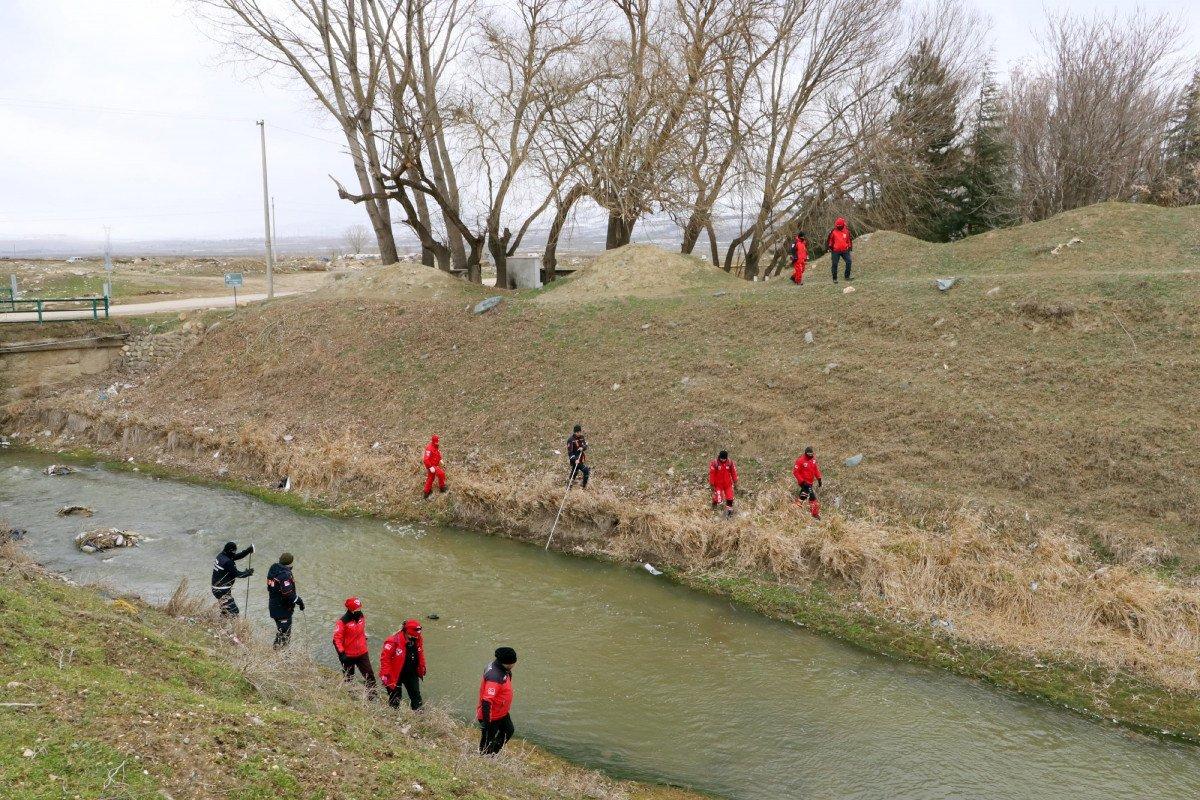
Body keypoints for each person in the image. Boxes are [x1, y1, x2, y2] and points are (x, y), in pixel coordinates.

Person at [333, 597, 377, 697]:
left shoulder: (361, 616)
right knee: (349, 677)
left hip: (362, 652)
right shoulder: (342, 622)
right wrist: (342, 654)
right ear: (351, 609)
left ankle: (372, 696)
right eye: (357, 608)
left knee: (369, 675)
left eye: (360, 608)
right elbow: (336, 639)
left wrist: (364, 637)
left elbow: (361, 631)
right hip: (348, 655)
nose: (359, 610)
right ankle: (350, 695)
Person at [477, 647, 518, 755]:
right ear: (509, 663)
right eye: (514, 662)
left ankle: (492, 753)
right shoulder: (494, 677)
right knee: (487, 739)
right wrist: (487, 723)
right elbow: (487, 701)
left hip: (501, 712)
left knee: (508, 730)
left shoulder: (502, 669)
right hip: (491, 716)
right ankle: (484, 757)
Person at [379, 619, 426, 711]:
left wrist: (422, 666)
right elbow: (385, 659)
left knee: (416, 696)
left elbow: (420, 654)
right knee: (395, 697)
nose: (416, 637)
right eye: (413, 635)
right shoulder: (393, 641)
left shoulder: (417, 639)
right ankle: (394, 716)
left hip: (411, 673)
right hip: (395, 674)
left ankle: (420, 717)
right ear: (407, 632)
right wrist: (385, 674)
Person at [266, 552, 304, 649]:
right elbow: (288, 594)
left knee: (282, 632)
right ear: (290, 563)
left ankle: (278, 653)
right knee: (284, 633)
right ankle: (280, 654)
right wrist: (299, 601)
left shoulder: (274, 569)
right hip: (282, 609)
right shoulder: (285, 575)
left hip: (274, 605)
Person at [210, 541, 254, 616]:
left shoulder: (221, 556)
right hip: (222, 591)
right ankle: (231, 627)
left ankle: (221, 625)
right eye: (234, 551)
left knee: (226, 610)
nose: (234, 553)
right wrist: (247, 573)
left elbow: (237, 556)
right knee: (234, 611)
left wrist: (248, 550)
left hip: (217, 589)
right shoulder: (228, 562)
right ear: (230, 551)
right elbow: (237, 574)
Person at [792, 446, 823, 520]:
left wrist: (819, 478)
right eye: (809, 455)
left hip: (810, 482)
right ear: (806, 454)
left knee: (803, 496)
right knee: (812, 498)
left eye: (812, 454)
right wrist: (802, 481)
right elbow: (795, 472)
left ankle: (794, 509)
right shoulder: (800, 461)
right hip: (804, 482)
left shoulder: (813, 460)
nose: (811, 456)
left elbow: (815, 469)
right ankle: (815, 514)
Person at [708, 450, 738, 517]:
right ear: (719, 457)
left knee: (730, 497)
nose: (723, 460)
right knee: (719, 499)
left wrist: (735, 481)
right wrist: (711, 484)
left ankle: (729, 512)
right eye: (722, 458)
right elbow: (712, 474)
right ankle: (714, 507)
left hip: (727, 484)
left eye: (724, 459)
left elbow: (733, 472)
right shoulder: (714, 463)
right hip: (718, 485)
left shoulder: (730, 462)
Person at [826, 217, 853, 283]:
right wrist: (830, 248)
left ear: (843, 225)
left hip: (845, 250)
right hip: (835, 251)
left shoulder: (846, 231)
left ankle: (847, 276)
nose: (839, 227)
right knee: (835, 264)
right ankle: (834, 278)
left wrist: (849, 247)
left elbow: (849, 239)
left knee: (849, 262)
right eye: (837, 226)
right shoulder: (833, 231)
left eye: (840, 226)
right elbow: (830, 240)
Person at [567, 424, 590, 489]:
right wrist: (575, 459)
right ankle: (584, 486)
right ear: (574, 432)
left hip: (581, 458)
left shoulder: (582, 437)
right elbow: (570, 453)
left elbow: (585, 445)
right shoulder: (570, 440)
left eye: (580, 432)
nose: (579, 433)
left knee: (575, 471)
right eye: (577, 432)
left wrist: (583, 448)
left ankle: (569, 486)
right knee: (586, 471)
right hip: (575, 460)